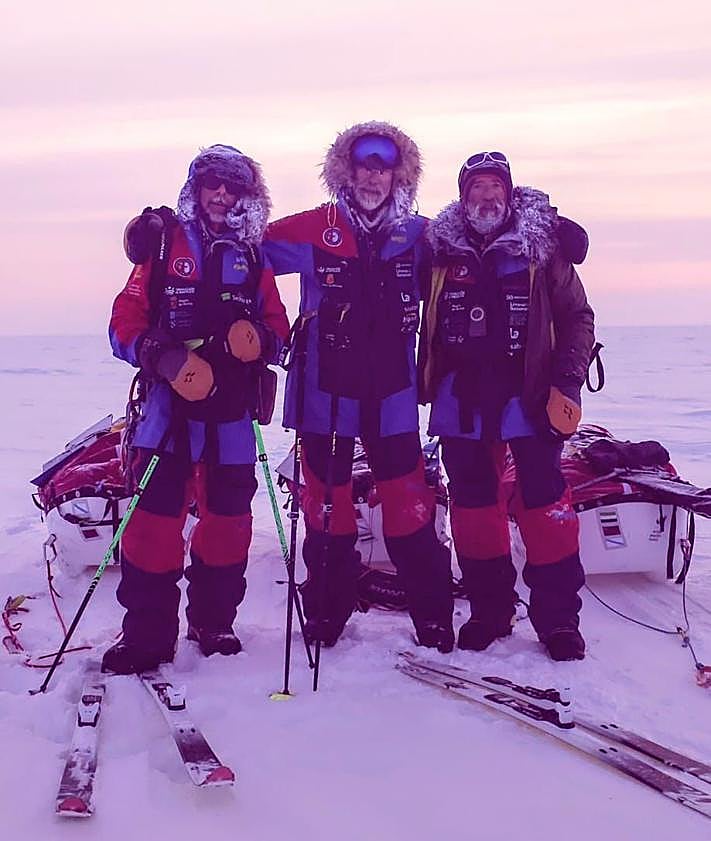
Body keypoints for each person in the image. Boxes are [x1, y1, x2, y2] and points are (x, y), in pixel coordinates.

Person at [264, 122, 455, 652]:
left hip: (392, 397)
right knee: (327, 508)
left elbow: (480, 245)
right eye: (363, 166)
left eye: (383, 168)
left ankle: (433, 617)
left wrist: (542, 226)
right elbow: (242, 248)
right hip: (324, 396)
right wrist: (164, 234)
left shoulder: (420, 235)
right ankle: (326, 613)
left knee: (409, 505)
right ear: (345, 172)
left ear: (398, 176)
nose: (373, 177)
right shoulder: (315, 228)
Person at [103, 144, 289, 674]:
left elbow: (278, 327)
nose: (222, 195)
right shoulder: (164, 243)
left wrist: (260, 341)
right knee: (153, 524)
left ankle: (214, 623)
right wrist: (159, 355)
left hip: (232, 412)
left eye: (233, 187)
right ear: (197, 188)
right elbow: (123, 322)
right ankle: (146, 636)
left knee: (229, 523)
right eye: (213, 184)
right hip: (168, 408)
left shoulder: (253, 255)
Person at [419, 151, 594, 661]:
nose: (487, 196)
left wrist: (567, 382)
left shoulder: (543, 248)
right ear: (463, 197)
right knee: (473, 509)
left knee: (544, 505)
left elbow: (578, 316)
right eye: (477, 187)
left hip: (529, 395)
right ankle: (490, 612)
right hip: (461, 399)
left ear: (510, 194)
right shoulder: (438, 251)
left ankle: (558, 621)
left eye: (496, 186)